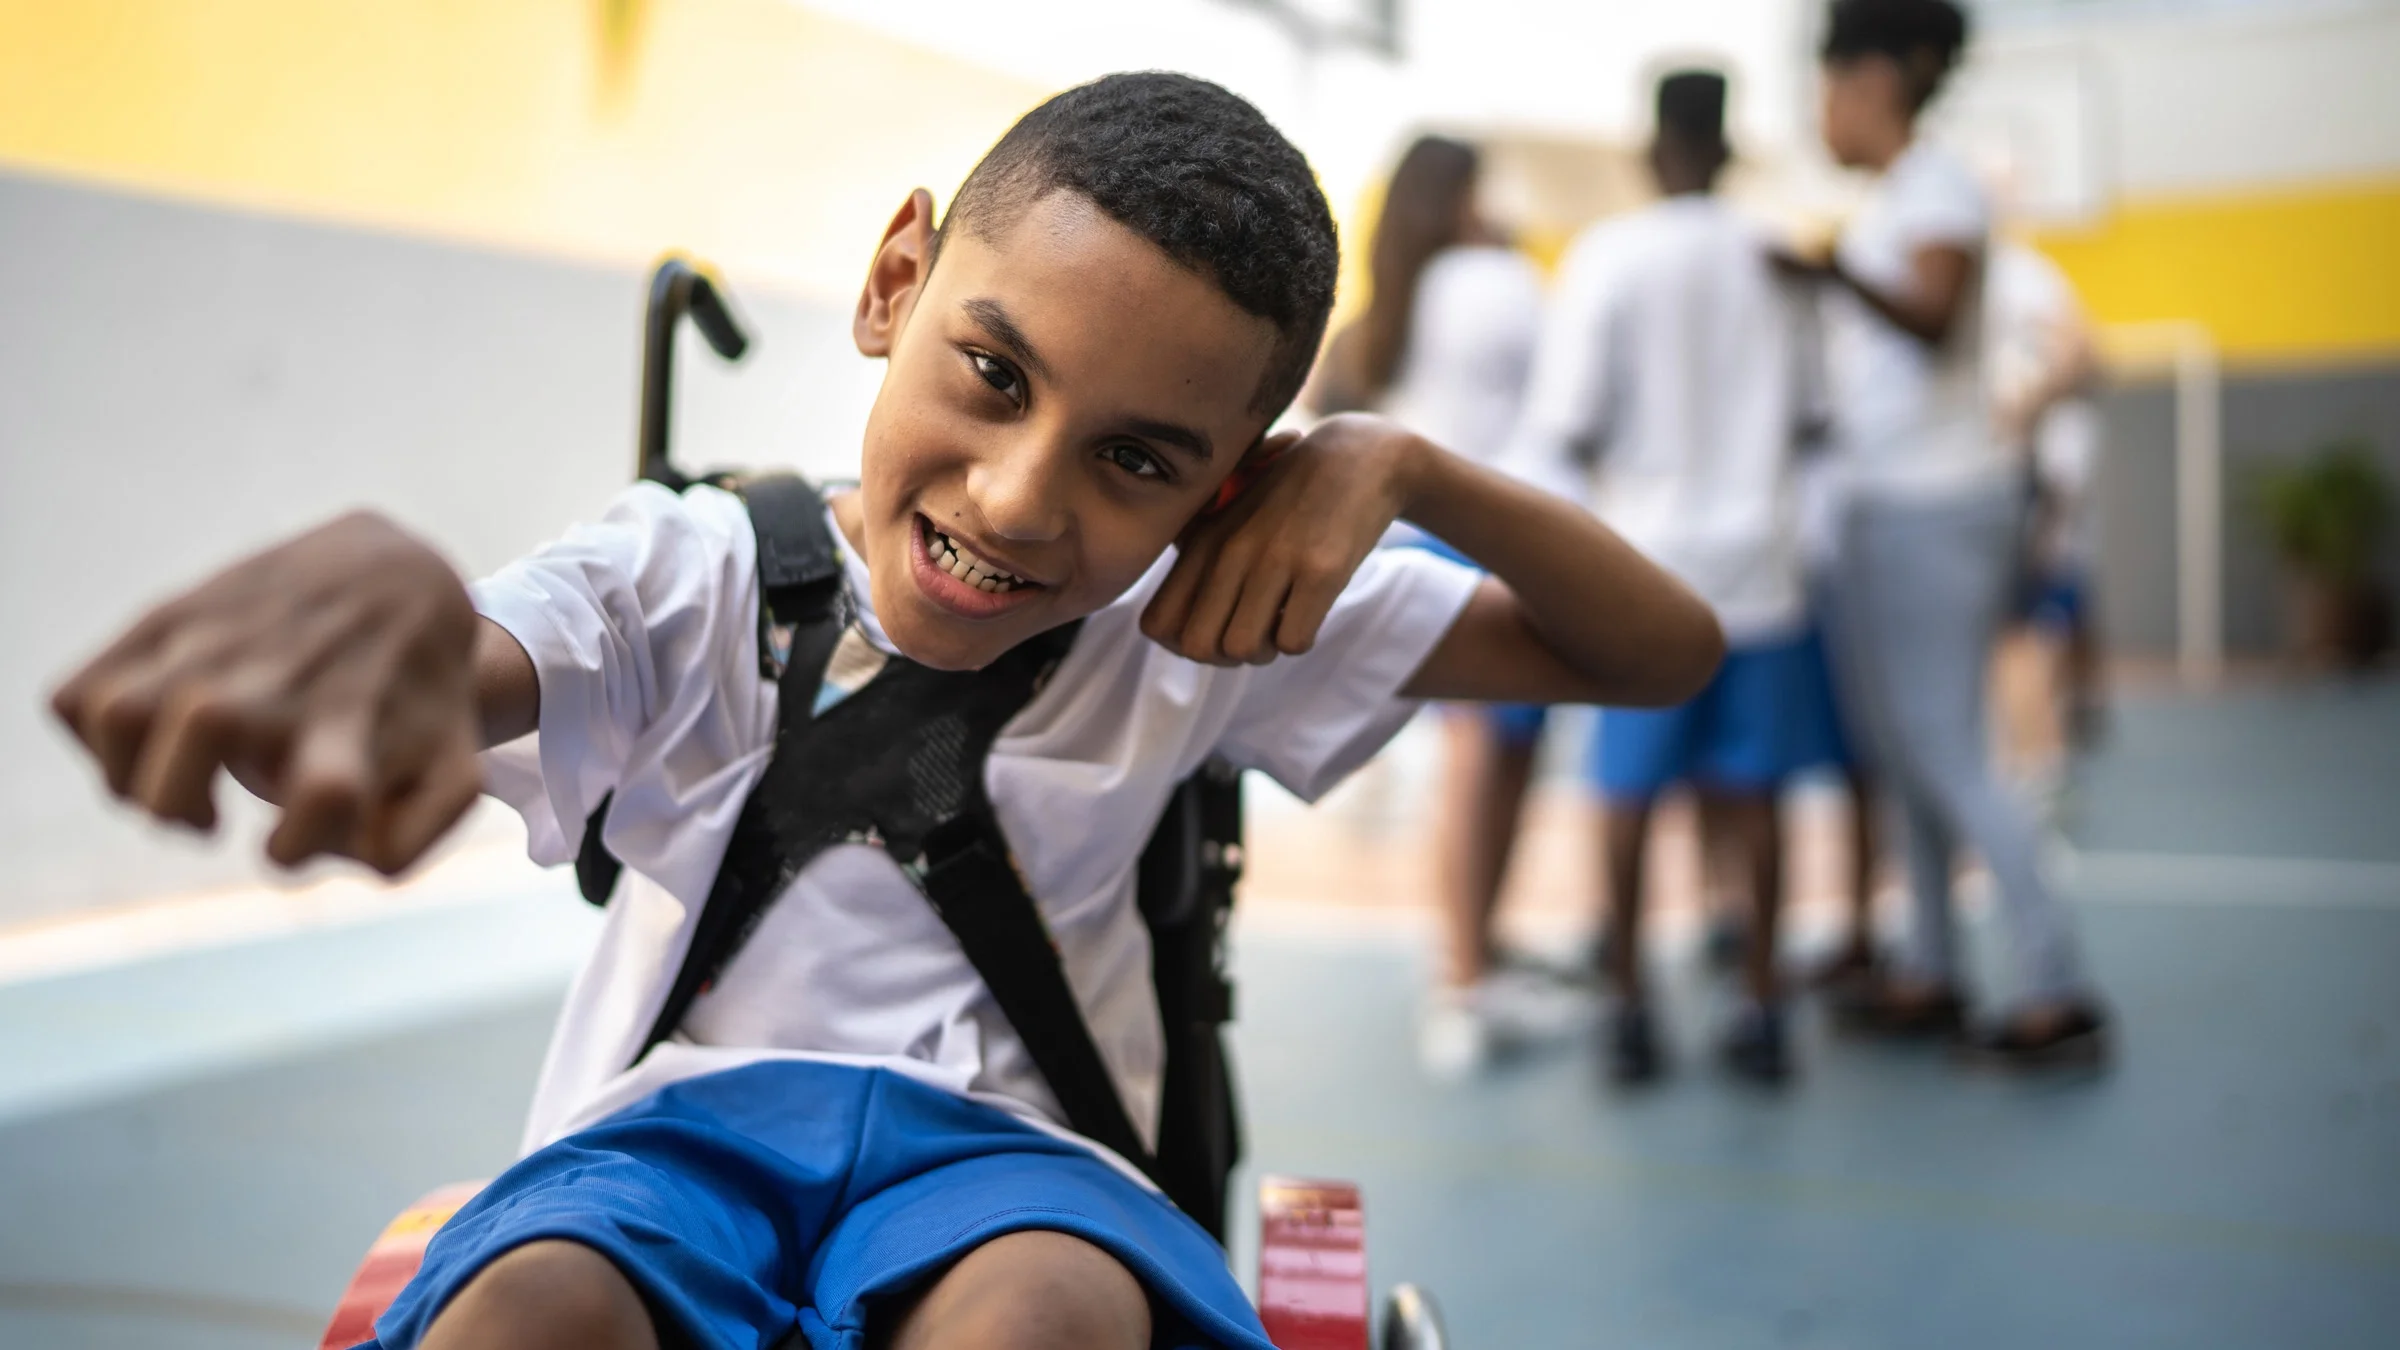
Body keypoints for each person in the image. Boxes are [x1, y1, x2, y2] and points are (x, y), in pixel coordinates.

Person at [48, 74, 1722, 1350]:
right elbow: (491, 653)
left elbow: (1660, 656)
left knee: (1045, 1315)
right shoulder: (692, 577)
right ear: (893, 281)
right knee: (531, 1306)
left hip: (1016, 1168)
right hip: (669, 1141)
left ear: (1226, 492)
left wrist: (1406, 466)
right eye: (995, 375)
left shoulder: (1199, 621)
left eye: (1138, 457)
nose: (1015, 497)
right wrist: (412, 622)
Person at [1794, 0, 2110, 1066]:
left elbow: (1929, 318)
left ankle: (2056, 983)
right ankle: (1929, 964)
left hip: (1936, 503)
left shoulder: (1935, 186)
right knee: (1903, 750)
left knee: (1948, 749)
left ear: (1873, 83)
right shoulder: (1899, 195)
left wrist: (1827, 271)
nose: (1821, 113)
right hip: (1889, 502)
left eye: (1829, 87)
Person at [1508, 70, 1817, 1085]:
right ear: (1729, 149)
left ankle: (1630, 1005)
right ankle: (1764, 1004)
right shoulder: (1777, 252)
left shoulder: (1610, 257)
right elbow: (1817, 413)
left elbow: (1566, 421)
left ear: (1653, 150)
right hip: (1762, 566)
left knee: (1625, 797)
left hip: (1645, 572)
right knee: (1755, 794)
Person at [1314, 136, 1561, 1080]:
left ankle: (1471, 961)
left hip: (1413, 540)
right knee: (1487, 760)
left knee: (1482, 760)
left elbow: (1327, 412)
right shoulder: (1497, 282)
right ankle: (1464, 973)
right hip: (1493, 535)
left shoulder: (1385, 308)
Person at [1987, 237, 2106, 773]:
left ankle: (2041, 759)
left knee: (2019, 627)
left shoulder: (2020, 274)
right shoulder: (2013, 275)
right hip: (2021, 475)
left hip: (2029, 475)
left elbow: (2086, 351)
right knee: (2037, 618)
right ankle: (2057, 733)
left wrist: (2022, 411)